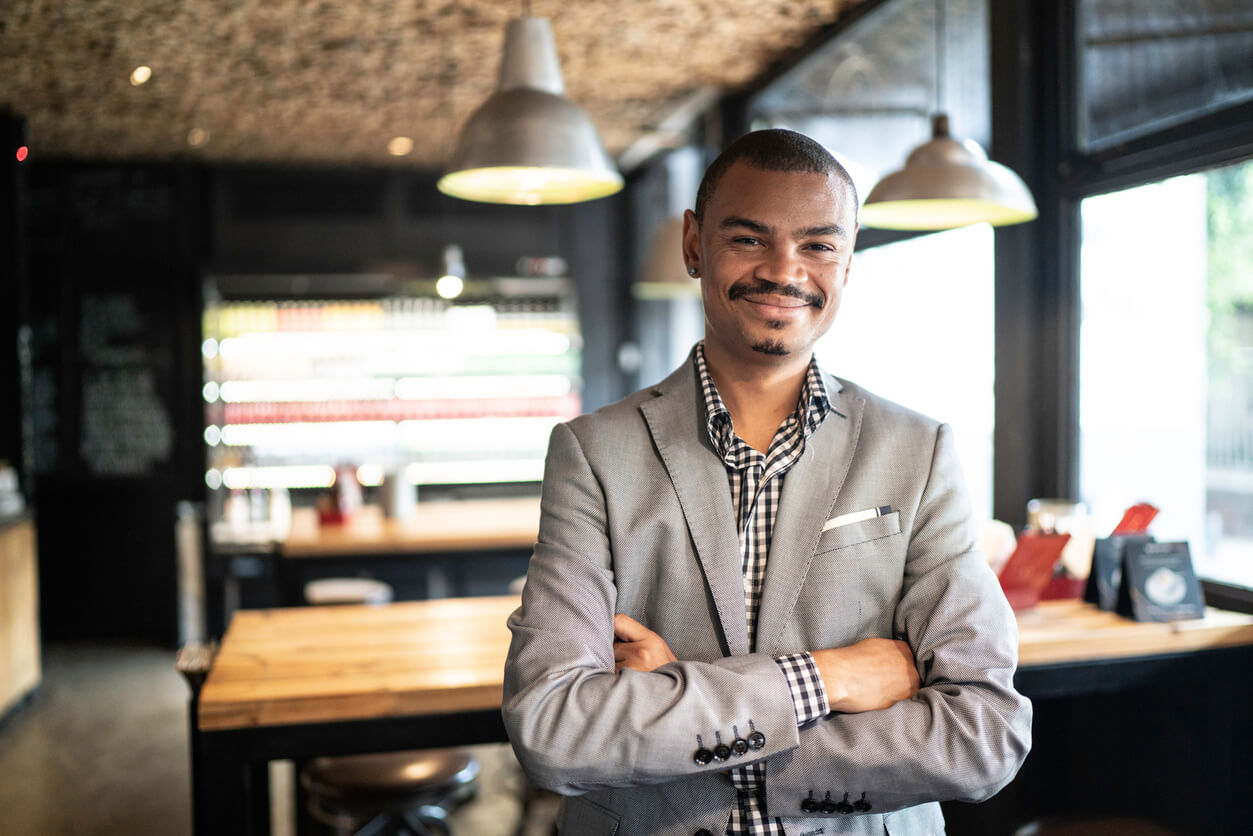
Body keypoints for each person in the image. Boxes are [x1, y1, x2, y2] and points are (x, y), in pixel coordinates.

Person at [502, 128, 1031, 836]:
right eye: (749, 239)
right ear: (694, 244)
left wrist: (678, 709)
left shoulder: (918, 450)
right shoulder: (593, 453)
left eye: (818, 244)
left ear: (848, 259)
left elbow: (983, 735)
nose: (785, 271)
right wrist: (829, 677)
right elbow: (553, 729)